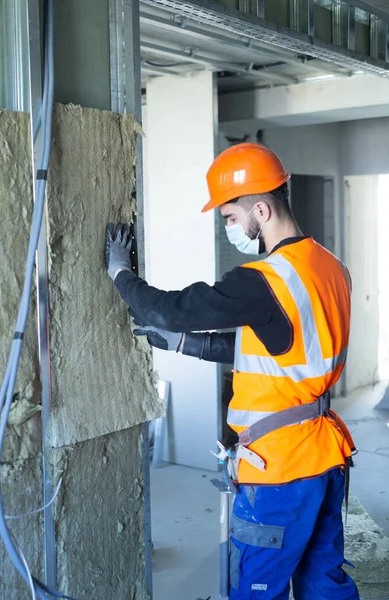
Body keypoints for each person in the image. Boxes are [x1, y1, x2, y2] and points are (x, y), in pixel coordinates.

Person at [104, 143, 359, 600]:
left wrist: (122, 275)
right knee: (324, 583)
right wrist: (188, 345)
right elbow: (281, 350)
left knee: (256, 588)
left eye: (229, 217)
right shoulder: (328, 267)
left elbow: (172, 309)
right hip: (323, 455)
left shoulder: (266, 279)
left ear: (260, 208)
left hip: (280, 469)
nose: (229, 229)